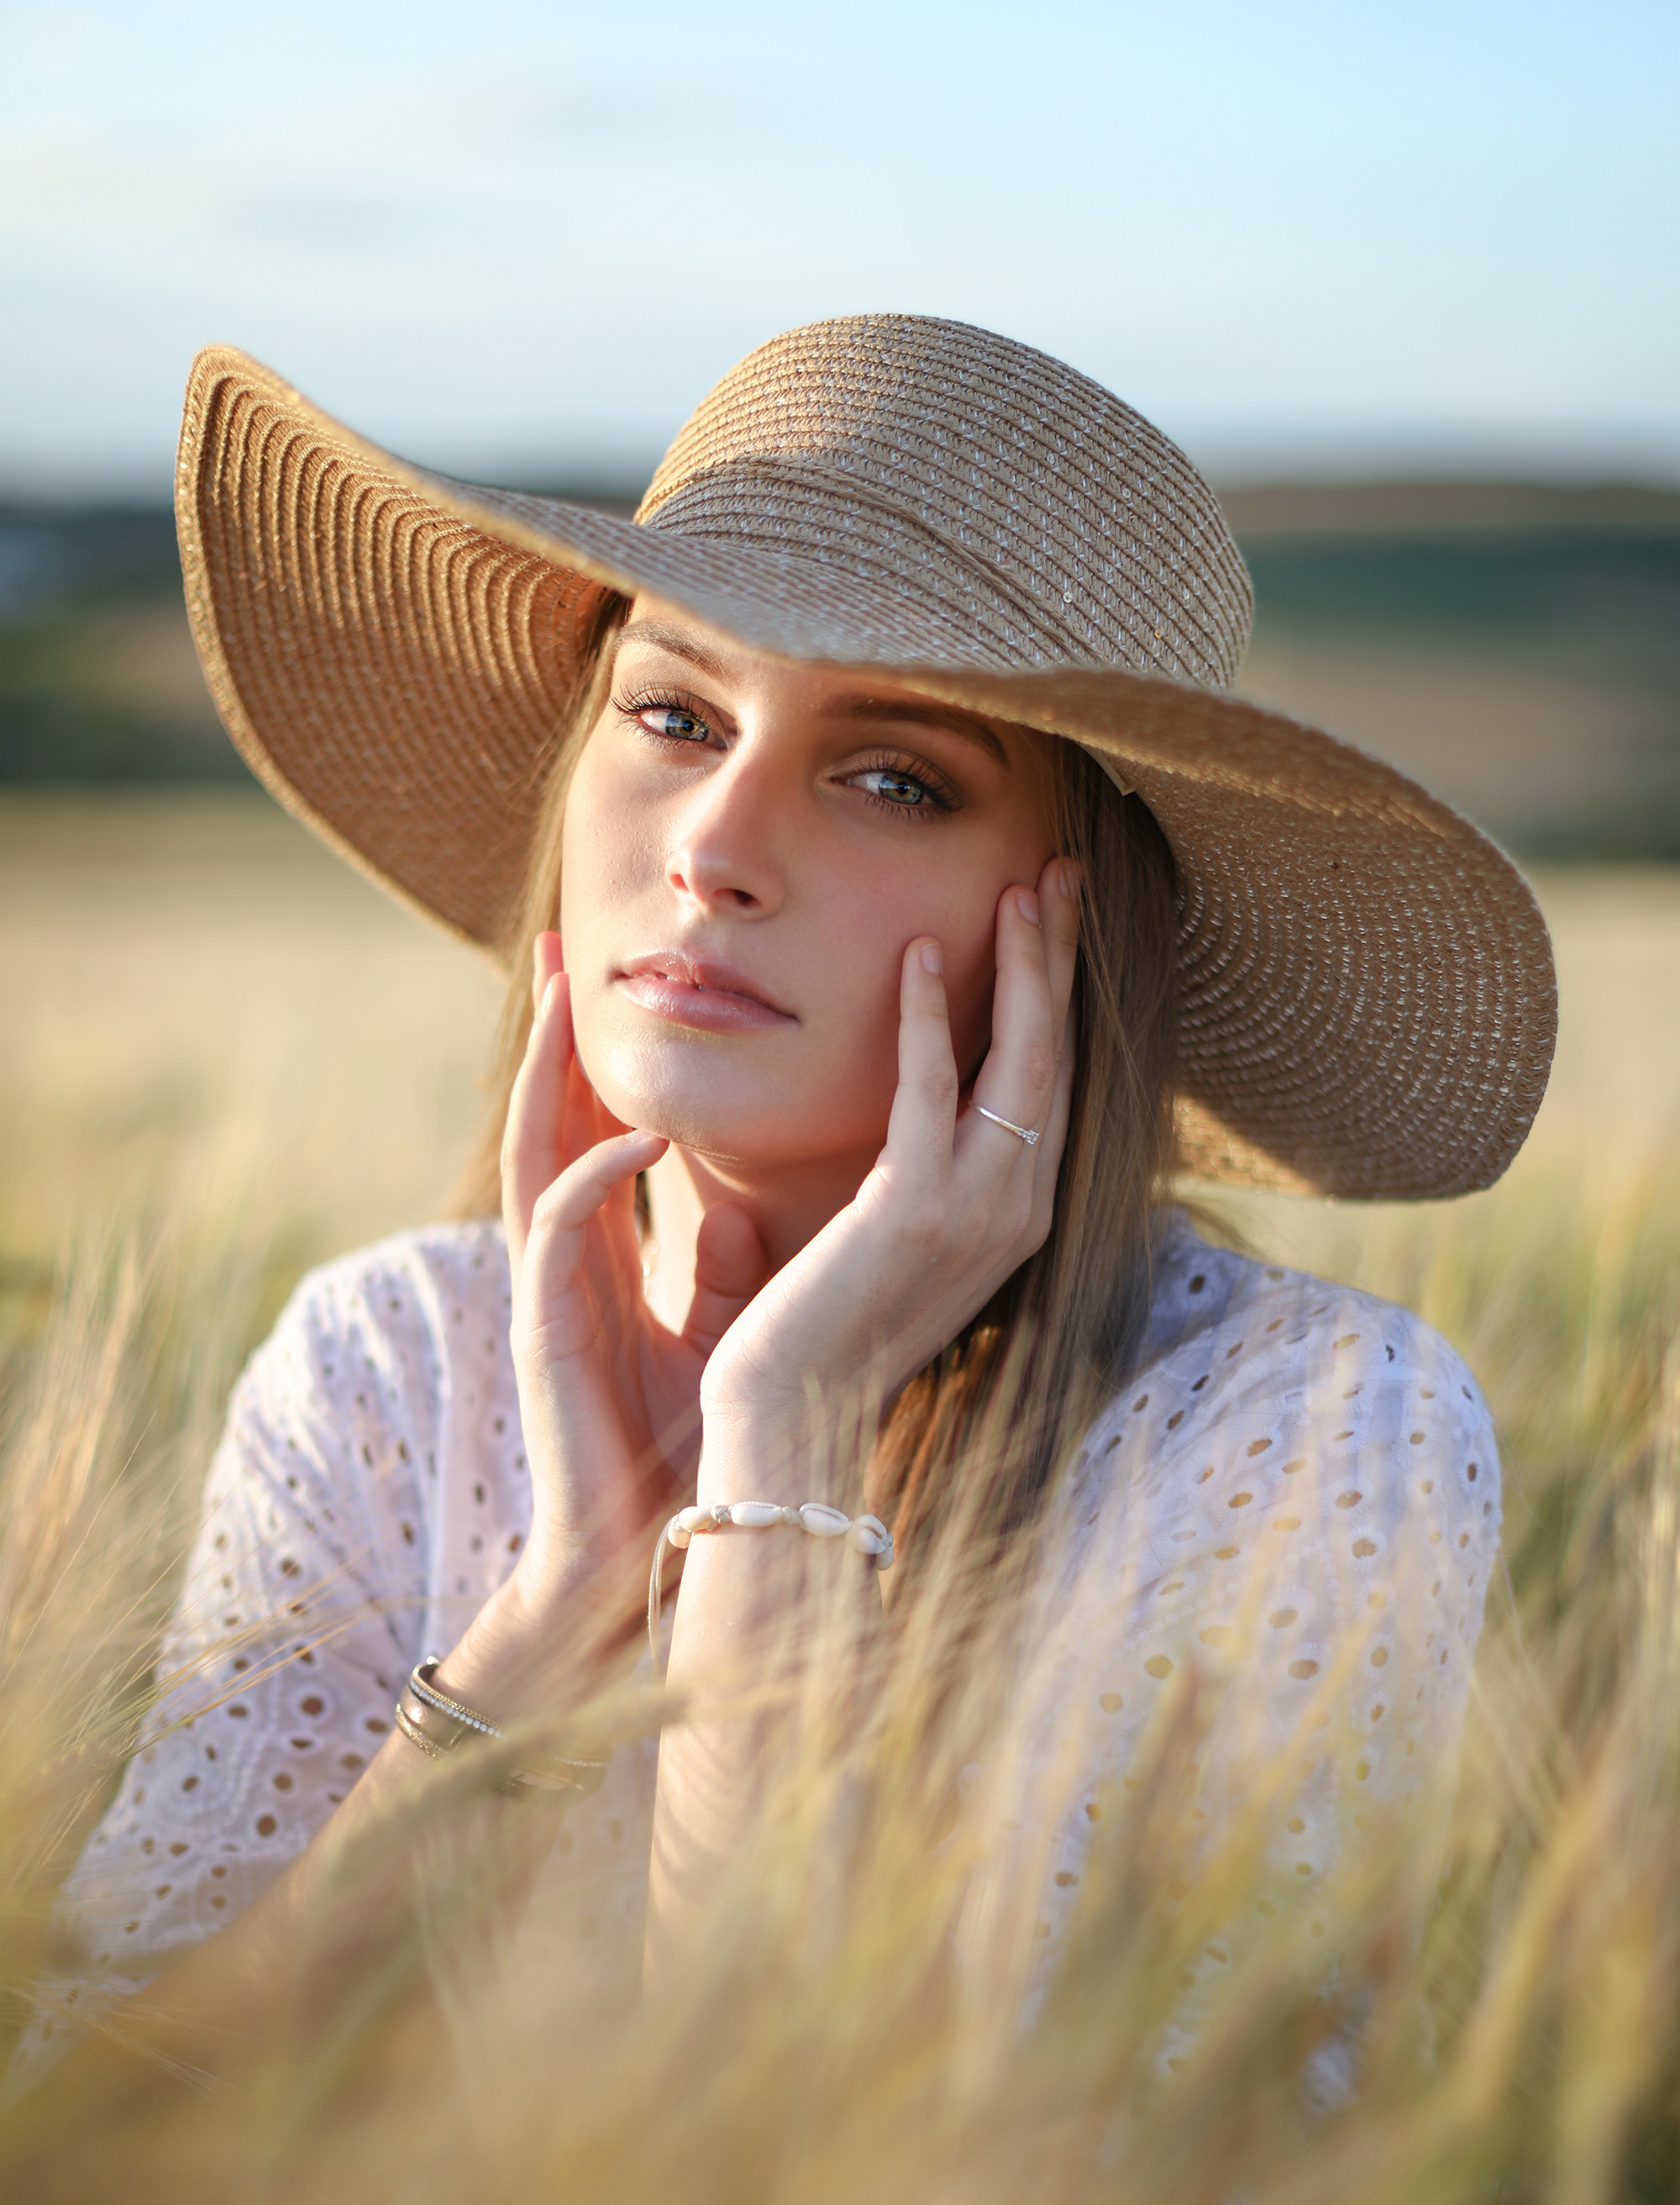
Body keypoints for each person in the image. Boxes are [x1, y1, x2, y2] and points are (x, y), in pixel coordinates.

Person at [19, 313, 1556, 2082]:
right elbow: (85, 2160)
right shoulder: (385, 1366)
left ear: (1068, 926)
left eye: (891, 777)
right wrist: (563, 1605)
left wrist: (787, 1442)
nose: (714, 846)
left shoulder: (1293, 1435)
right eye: (671, 713)